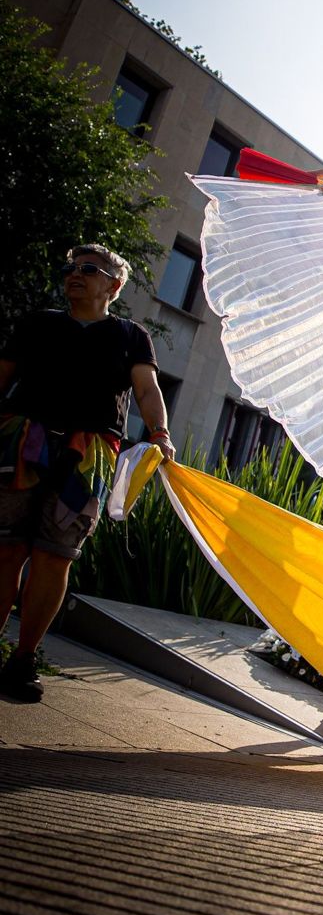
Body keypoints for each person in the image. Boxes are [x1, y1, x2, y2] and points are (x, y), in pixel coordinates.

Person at [0, 244, 175, 701]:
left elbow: (147, 387)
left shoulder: (132, 336)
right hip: (21, 441)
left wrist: (159, 433)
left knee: (54, 557)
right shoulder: (38, 323)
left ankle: (23, 660)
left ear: (113, 286)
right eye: (71, 267)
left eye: (88, 269)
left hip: (88, 453)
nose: (74, 275)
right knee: (4, 550)